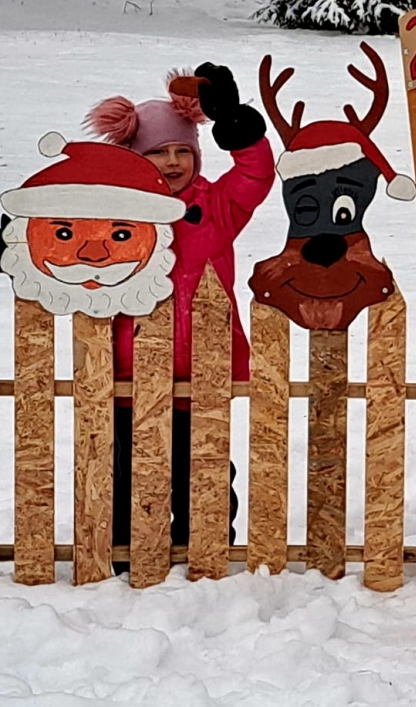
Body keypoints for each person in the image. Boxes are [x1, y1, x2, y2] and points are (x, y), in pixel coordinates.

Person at [85, 63, 274, 570]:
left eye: (182, 151)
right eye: (157, 152)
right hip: (132, 372)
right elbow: (72, 254)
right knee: (130, 470)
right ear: (135, 158)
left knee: (203, 469)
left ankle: (203, 547)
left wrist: (236, 125)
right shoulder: (116, 215)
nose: (172, 162)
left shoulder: (216, 207)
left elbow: (255, 176)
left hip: (203, 370)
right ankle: (126, 551)